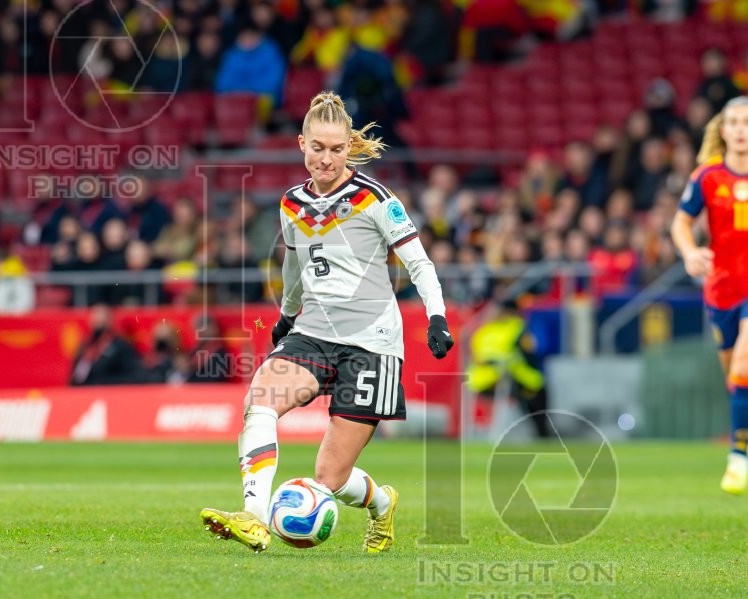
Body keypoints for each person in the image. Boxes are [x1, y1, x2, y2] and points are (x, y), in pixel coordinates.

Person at [200, 92, 455, 553]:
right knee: (259, 402)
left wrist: (437, 316)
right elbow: (294, 268)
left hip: (372, 345)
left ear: (349, 149)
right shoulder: (290, 203)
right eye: (318, 147)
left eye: (337, 149)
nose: (327, 158)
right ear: (302, 144)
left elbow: (419, 262)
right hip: (313, 333)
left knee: (330, 479)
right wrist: (287, 315)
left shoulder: (376, 199)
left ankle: (382, 503)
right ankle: (254, 517)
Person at [671, 96, 748, 496]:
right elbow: (681, 223)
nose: (739, 129)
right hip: (722, 290)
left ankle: (739, 457)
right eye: (732, 121)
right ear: (722, 129)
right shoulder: (708, 177)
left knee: (744, 364)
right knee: (735, 380)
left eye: (745, 122)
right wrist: (689, 252)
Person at [465, 296, 550, 438]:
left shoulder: (483, 331)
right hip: (505, 377)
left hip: (477, 379)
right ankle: (541, 431)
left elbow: (475, 356)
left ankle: (538, 430)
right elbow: (531, 347)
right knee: (535, 391)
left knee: (527, 392)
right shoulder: (516, 327)